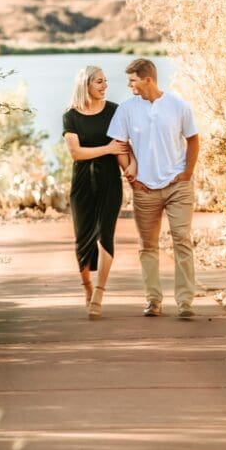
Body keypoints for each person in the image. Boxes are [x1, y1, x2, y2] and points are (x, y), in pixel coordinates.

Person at [107, 58, 200, 319]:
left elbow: (193, 139)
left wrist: (186, 174)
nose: (129, 85)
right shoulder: (126, 109)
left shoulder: (178, 106)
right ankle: (153, 300)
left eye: (133, 80)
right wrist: (132, 179)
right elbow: (119, 145)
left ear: (148, 79)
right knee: (147, 245)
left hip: (177, 187)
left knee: (182, 240)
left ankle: (185, 302)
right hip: (144, 189)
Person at [62, 66, 130, 320]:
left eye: (105, 81)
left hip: (110, 182)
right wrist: (108, 148)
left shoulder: (115, 111)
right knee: (83, 241)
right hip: (82, 185)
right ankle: (87, 288)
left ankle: (99, 293)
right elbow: (76, 153)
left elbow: (121, 147)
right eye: (99, 82)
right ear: (86, 85)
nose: (105, 85)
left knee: (105, 236)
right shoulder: (71, 116)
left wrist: (132, 173)